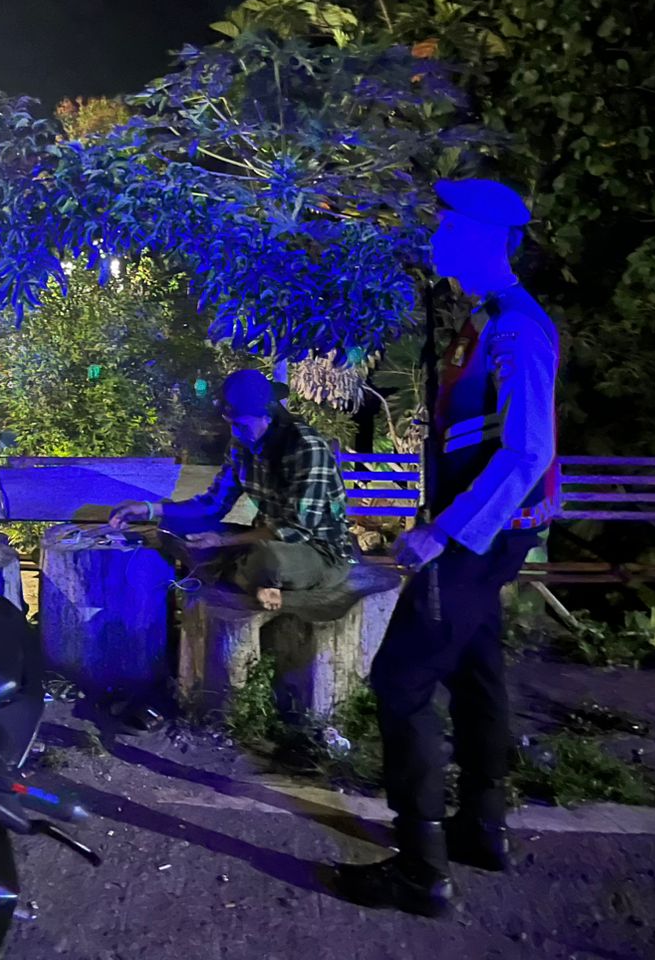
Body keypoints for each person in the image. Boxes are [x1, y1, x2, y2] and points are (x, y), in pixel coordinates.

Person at [334, 178, 558, 917]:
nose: (436, 241)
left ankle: (421, 870)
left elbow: (526, 450)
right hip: (487, 534)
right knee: (475, 669)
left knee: (400, 681)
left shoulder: (516, 328)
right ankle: (482, 827)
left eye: (450, 229)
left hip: (475, 536)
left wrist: (442, 531)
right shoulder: (487, 318)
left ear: (489, 240)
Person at [109, 368, 353, 609]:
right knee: (172, 528)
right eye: (232, 425)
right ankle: (248, 577)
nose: (236, 433)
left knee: (267, 560)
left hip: (316, 551)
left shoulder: (306, 448)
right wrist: (149, 509)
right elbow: (213, 504)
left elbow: (294, 530)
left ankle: (240, 573)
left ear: (267, 416)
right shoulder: (241, 446)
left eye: (242, 426)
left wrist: (223, 541)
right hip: (260, 539)